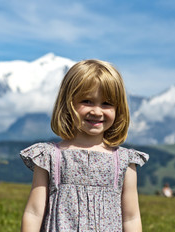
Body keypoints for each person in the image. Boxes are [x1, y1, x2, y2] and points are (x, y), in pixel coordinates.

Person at [20, 59, 149, 232]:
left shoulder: (124, 161)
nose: (96, 111)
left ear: (118, 109)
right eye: (87, 101)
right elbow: (34, 212)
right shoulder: (50, 156)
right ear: (68, 103)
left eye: (107, 104)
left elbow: (131, 218)